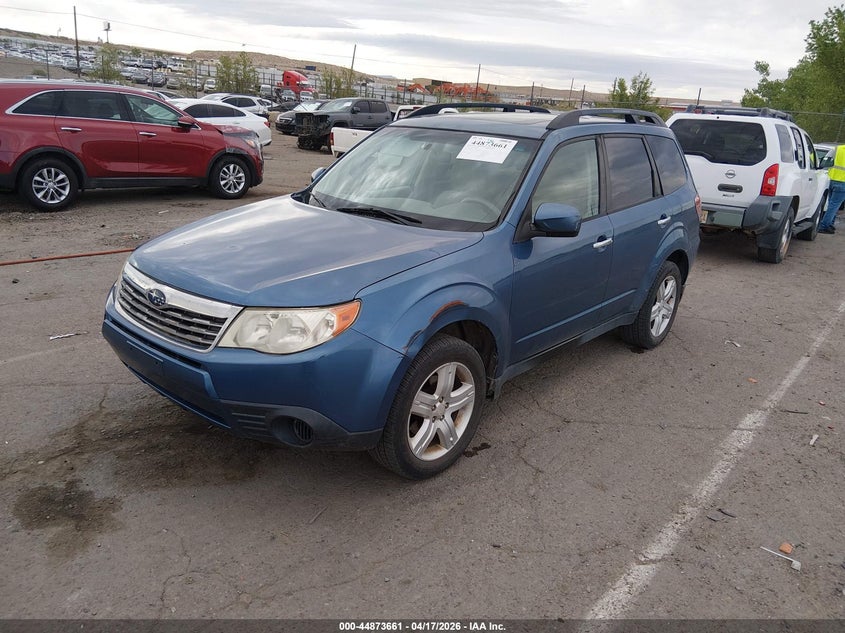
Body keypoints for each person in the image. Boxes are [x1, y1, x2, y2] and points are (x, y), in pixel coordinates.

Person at [819, 143, 845, 234]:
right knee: (834, 206)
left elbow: (825, 160)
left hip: (831, 179)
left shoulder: (838, 149)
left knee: (831, 204)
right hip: (843, 182)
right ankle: (824, 226)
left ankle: (830, 224)